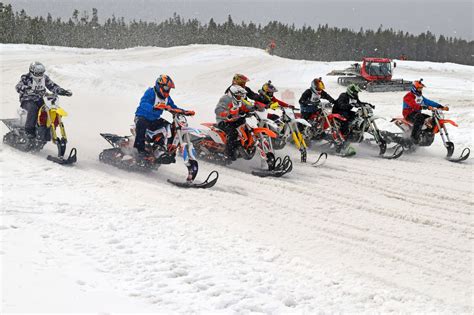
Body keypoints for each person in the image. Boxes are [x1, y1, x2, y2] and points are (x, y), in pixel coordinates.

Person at [133, 74, 193, 159]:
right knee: (142, 123)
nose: (167, 91)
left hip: (154, 120)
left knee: (169, 127)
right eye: (166, 88)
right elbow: (143, 103)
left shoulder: (167, 98)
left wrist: (185, 112)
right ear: (159, 85)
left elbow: (173, 107)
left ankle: (164, 148)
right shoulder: (151, 92)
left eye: (169, 89)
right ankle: (139, 150)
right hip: (142, 117)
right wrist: (154, 107)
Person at [15, 61, 72, 139]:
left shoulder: (44, 78)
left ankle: (47, 128)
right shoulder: (26, 77)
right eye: (37, 73)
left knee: (50, 109)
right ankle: (29, 130)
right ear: (32, 71)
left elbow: (52, 86)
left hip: (41, 99)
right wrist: (27, 89)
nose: (40, 75)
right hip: (27, 99)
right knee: (33, 109)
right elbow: (18, 86)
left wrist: (62, 91)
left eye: (41, 73)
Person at [402, 79, 447, 143]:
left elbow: (429, 102)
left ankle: (427, 135)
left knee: (429, 119)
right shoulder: (408, 96)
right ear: (414, 88)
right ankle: (414, 137)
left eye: (421, 88)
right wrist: (425, 107)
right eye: (419, 88)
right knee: (420, 118)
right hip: (409, 114)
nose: (420, 90)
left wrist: (440, 106)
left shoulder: (420, 97)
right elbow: (414, 105)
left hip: (417, 113)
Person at [215, 84, 249, 161]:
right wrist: (227, 113)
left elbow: (246, 105)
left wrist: (255, 107)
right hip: (223, 121)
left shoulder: (239, 100)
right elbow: (218, 110)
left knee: (245, 127)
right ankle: (228, 154)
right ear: (232, 94)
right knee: (233, 133)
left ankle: (243, 147)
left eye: (241, 96)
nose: (240, 97)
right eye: (238, 96)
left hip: (235, 120)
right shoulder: (225, 99)